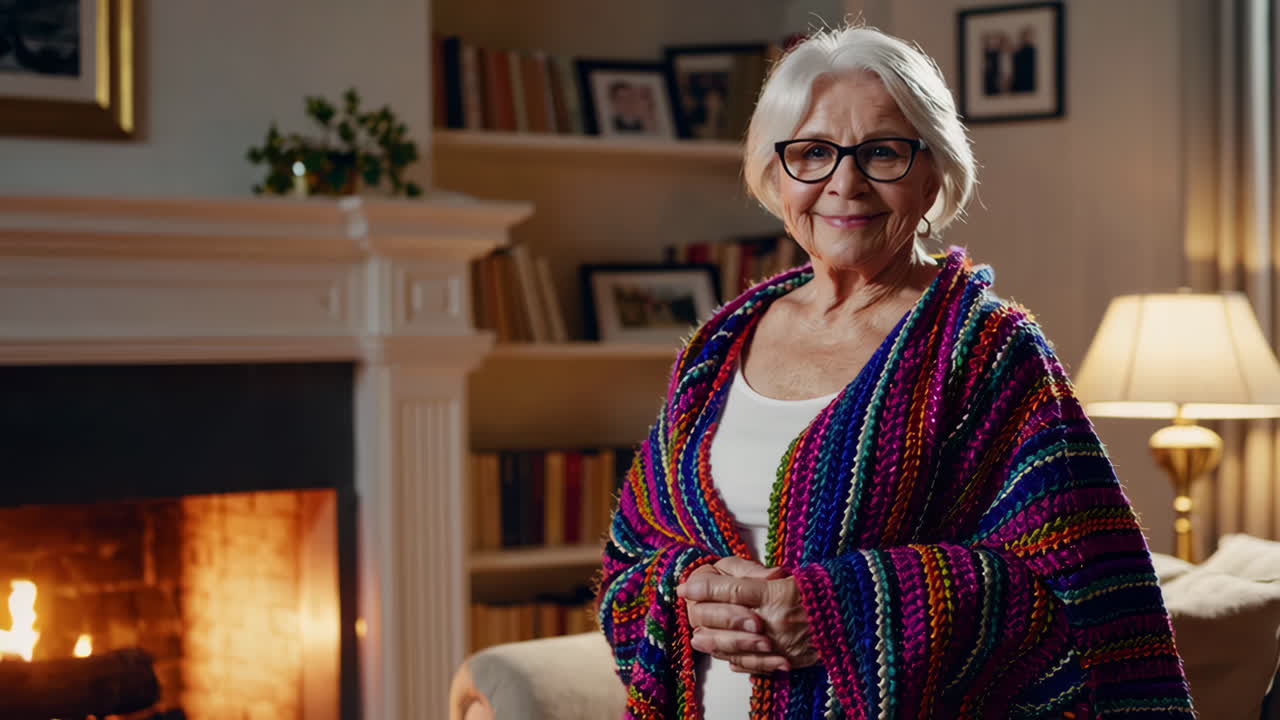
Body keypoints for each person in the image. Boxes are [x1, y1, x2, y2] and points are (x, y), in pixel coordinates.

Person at [596, 23, 1194, 719]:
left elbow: (1072, 596)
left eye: (882, 152)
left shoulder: (989, 349)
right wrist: (687, 591)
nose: (844, 183)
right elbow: (632, 560)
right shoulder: (718, 344)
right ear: (773, 172)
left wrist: (843, 610)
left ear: (935, 170)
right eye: (812, 153)